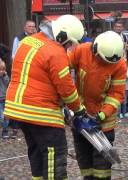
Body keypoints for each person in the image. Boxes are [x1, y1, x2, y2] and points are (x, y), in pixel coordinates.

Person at [4, 14, 86, 179]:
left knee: (36, 155)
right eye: (69, 43)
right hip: (41, 112)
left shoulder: (27, 42)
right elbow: (66, 88)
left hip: (19, 109)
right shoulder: (55, 51)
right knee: (54, 155)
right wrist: (79, 109)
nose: (69, 46)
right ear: (62, 36)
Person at [68, 31, 127, 180]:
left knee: (102, 169)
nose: (106, 65)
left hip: (103, 125)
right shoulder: (82, 51)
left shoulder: (119, 64)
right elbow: (62, 67)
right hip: (80, 118)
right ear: (95, 50)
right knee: (85, 163)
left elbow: (116, 94)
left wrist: (102, 114)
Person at [0, 60, 9, 139]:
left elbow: (7, 83)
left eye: (2, 69)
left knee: (5, 116)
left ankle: (5, 131)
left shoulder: (5, 77)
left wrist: (4, 76)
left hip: (4, 98)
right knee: (1, 117)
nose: (1, 71)